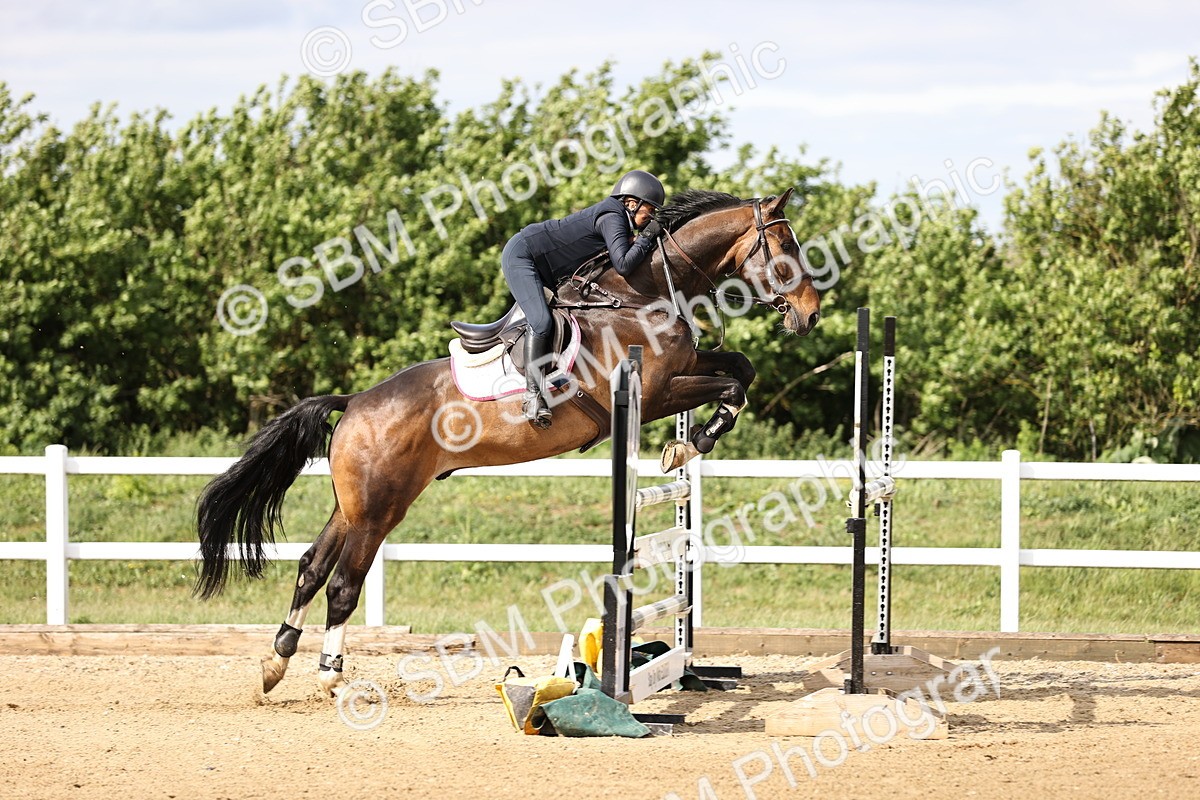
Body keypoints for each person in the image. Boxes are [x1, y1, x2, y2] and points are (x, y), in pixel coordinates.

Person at [501, 169, 665, 429]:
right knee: (542, 322)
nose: (651, 217)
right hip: (523, 256)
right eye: (651, 210)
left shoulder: (617, 217)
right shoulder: (612, 216)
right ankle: (532, 397)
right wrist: (646, 237)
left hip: (542, 266)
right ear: (631, 203)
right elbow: (623, 264)